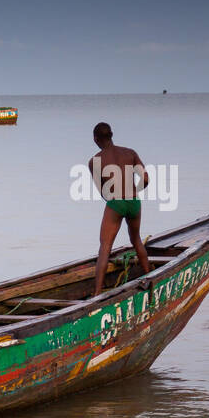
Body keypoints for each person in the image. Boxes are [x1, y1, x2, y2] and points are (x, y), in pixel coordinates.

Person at [88, 122, 153, 295]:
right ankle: (150, 276)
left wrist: (115, 199)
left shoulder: (94, 161)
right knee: (136, 240)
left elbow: (102, 190)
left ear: (95, 139)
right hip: (134, 201)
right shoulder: (130, 153)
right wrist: (133, 192)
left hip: (116, 202)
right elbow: (146, 179)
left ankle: (96, 294)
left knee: (105, 247)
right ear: (112, 135)